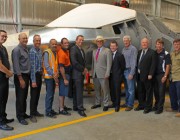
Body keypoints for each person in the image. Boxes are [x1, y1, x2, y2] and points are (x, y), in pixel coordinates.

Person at [12, 33, 30, 125]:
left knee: (24, 96)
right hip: (21, 76)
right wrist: (20, 79)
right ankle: (20, 116)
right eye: (23, 38)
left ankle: (23, 113)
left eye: (26, 38)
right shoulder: (16, 50)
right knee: (20, 97)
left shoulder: (25, 48)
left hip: (26, 76)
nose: (25, 39)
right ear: (19, 39)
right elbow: (16, 65)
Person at [135, 38, 156, 114]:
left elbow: (153, 65)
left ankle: (148, 107)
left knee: (149, 92)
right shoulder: (139, 52)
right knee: (140, 91)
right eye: (143, 42)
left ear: (148, 44)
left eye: (145, 43)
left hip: (147, 76)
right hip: (139, 75)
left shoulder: (152, 52)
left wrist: (150, 74)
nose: (144, 44)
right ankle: (141, 105)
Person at [91, 36, 112, 111]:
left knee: (105, 89)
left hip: (103, 74)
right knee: (97, 89)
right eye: (97, 41)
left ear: (103, 42)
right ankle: (97, 103)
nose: (99, 42)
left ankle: (106, 104)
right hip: (95, 74)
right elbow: (93, 63)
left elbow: (109, 63)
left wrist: (107, 73)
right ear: (96, 43)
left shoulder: (107, 51)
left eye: (100, 41)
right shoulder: (94, 51)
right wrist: (92, 72)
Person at [70, 35, 87, 117]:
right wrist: (83, 69)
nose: (81, 41)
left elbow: (82, 62)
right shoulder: (73, 49)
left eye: (82, 40)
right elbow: (74, 62)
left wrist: (85, 68)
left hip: (80, 73)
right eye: (80, 40)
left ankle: (75, 106)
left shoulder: (81, 50)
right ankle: (80, 109)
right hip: (77, 74)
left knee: (76, 92)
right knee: (79, 92)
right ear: (76, 40)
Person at [0, 30, 14, 131]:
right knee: (0, 100)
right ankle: (1, 122)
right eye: (2, 36)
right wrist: (8, 73)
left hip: (4, 79)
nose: (4, 38)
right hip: (0, 79)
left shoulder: (3, 48)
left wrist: (8, 72)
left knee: (4, 99)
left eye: (6, 36)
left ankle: (3, 118)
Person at [153, 39, 170, 114]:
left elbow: (168, 66)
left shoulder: (166, 53)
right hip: (154, 75)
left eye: (160, 44)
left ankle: (160, 108)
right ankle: (156, 105)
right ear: (155, 45)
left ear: (162, 45)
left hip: (161, 75)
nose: (158, 45)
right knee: (156, 92)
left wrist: (165, 76)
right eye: (157, 44)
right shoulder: (154, 53)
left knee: (161, 92)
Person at [29, 35, 44, 123]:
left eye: (39, 40)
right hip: (34, 76)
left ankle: (35, 111)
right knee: (33, 96)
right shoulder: (32, 51)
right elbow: (32, 67)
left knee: (37, 95)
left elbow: (39, 64)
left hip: (39, 75)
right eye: (36, 40)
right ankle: (32, 115)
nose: (38, 42)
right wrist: (33, 81)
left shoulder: (39, 51)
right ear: (33, 41)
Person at [43, 39, 59, 118]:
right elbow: (46, 65)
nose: (54, 45)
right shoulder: (47, 52)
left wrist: (56, 74)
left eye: (55, 44)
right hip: (49, 77)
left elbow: (55, 65)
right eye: (53, 44)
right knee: (49, 95)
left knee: (52, 94)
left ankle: (50, 109)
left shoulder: (55, 52)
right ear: (50, 44)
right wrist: (53, 74)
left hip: (53, 77)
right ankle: (48, 111)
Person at [122, 35, 137, 111]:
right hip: (124, 71)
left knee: (131, 89)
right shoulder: (124, 49)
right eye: (124, 41)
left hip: (129, 70)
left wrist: (131, 73)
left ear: (130, 41)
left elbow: (134, 62)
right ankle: (127, 102)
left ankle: (130, 105)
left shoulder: (133, 49)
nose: (125, 42)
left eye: (126, 40)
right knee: (127, 89)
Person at [109, 40, 125, 112]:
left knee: (117, 91)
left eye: (114, 46)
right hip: (110, 76)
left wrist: (120, 76)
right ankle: (113, 103)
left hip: (117, 76)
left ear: (117, 47)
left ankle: (117, 105)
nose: (112, 47)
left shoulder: (120, 55)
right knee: (112, 90)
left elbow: (123, 67)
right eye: (111, 46)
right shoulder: (109, 54)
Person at [58, 38, 72, 116]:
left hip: (67, 73)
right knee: (62, 92)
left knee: (64, 92)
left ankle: (63, 106)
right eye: (65, 43)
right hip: (64, 74)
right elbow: (61, 67)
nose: (67, 44)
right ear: (62, 44)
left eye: (67, 43)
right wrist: (65, 79)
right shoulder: (62, 53)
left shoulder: (66, 51)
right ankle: (61, 109)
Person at [167, 39, 180, 117]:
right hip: (172, 78)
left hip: (179, 77)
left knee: (179, 95)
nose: (176, 46)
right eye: (175, 44)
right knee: (172, 94)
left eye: (178, 44)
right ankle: (174, 107)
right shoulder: (171, 54)